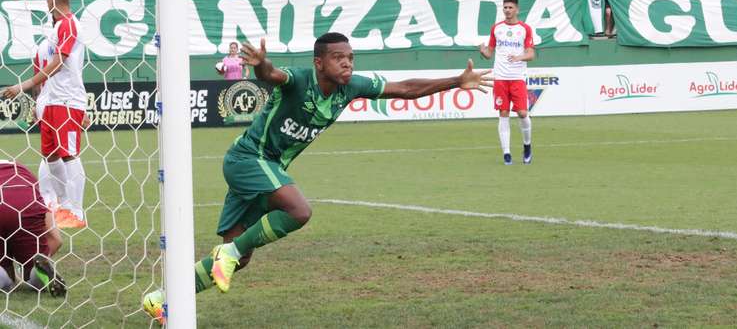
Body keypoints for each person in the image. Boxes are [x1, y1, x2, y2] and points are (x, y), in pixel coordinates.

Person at [142, 33, 492, 322]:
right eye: (340, 57)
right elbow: (272, 75)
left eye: (351, 58)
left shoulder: (352, 86)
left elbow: (404, 87)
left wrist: (456, 81)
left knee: (238, 258)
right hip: (249, 159)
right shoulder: (300, 79)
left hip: (267, 168)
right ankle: (228, 252)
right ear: (319, 62)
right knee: (299, 211)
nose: (348, 64)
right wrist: (262, 64)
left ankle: (161, 299)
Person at [1, 0, 88, 229]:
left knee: (68, 153)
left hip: (66, 100)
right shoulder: (55, 31)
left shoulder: (70, 24)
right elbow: (47, 69)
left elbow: (61, 64)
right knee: (50, 155)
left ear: (51, 0)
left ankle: (76, 211)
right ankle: (58, 203)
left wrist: (22, 86)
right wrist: (36, 104)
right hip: (49, 102)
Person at [478, 0, 535, 165]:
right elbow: (489, 53)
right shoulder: (496, 28)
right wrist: (482, 51)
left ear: (517, 10)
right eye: (505, 7)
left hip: (517, 78)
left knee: (522, 113)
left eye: (510, 7)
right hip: (501, 78)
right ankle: (507, 153)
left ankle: (527, 146)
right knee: (503, 114)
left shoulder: (525, 29)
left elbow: (531, 54)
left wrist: (519, 57)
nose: (507, 10)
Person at [0, 160, 65, 297]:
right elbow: (57, 240)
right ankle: (40, 273)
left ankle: (4, 278)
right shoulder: (21, 170)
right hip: (27, 202)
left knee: (7, 278)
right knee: (32, 272)